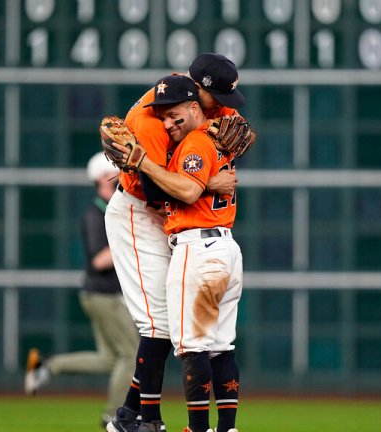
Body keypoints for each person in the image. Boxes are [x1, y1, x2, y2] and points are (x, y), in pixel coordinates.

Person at [105, 54, 246, 432]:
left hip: (185, 228)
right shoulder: (152, 124)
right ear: (195, 92)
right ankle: (146, 420)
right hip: (138, 211)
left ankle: (130, 416)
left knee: (180, 332)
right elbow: (156, 188)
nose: (223, 108)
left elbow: (241, 131)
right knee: (163, 327)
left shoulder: (202, 113)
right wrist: (207, 181)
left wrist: (208, 172)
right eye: (216, 98)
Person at [24, 153, 139, 429]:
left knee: (110, 359)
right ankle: (113, 416)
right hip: (103, 295)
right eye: (116, 174)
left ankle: (46, 366)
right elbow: (99, 260)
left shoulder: (110, 209)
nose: (122, 178)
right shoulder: (96, 213)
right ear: (102, 178)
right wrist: (130, 239)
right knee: (132, 354)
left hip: (101, 294)